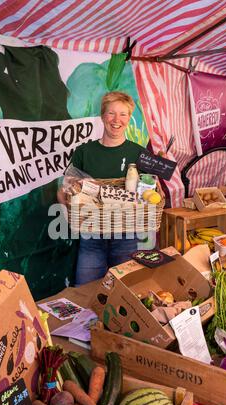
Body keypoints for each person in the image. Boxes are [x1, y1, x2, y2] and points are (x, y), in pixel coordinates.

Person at [58, 91, 147, 285]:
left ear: (130, 118)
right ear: (102, 116)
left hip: (127, 235)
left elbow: (150, 193)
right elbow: (63, 190)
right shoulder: (84, 152)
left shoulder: (138, 153)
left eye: (123, 114)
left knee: (126, 292)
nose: (117, 120)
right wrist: (70, 207)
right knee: (86, 291)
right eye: (111, 113)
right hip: (91, 237)